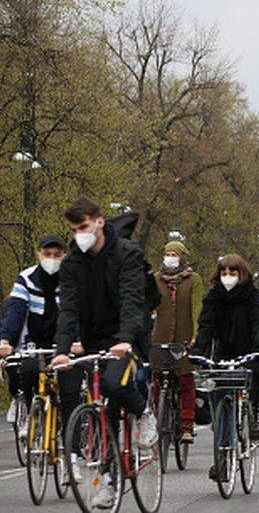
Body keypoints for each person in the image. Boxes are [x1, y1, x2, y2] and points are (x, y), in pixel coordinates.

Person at [50, 198, 157, 508]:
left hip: (126, 338)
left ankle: (145, 413)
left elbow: (132, 299)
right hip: (94, 341)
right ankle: (107, 482)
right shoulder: (72, 264)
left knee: (114, 384)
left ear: (98, 222)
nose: (79, 234)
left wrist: (125, 339)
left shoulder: (127, 253)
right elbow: (68, 309)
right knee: (100, 415)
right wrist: (61, 350)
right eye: (74, 229)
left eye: (83, 227)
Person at [0, 235, 84, 444]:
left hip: (67, 346)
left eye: (57, 255)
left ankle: (71, 454)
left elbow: (81, 315)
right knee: (27, 371)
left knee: (70, 392)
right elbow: (15, 312)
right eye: (47, 254)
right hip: (36, 345)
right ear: (39, 255)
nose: (52, 259)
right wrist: (5, 340)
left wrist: (80, 342)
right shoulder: (26, 278)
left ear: (64, 256)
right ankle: (32, 414)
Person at [192, 253, 259, 445]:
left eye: (232, 272)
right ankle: (222, 446)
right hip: (223, 350)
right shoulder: (214, 297)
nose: (227, 276)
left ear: (241, 273)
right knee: (217, 389)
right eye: (223, 272)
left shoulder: (252, 296)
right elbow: (206, 325)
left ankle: (257, 412)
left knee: (257, 374)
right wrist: (199, 350)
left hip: (249, 349)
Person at [150, 240, 203, 444]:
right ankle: (157, 417)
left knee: (185, 381)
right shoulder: (156, 279)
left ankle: (187, 425)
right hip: (160, 336)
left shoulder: (193, 280)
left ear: (182, 257)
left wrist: (195, 334)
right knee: (156, 378)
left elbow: (196, 307)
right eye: (168, 253)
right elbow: (149, 304)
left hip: (184, 337)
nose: (170, 257)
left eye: (174, 254)